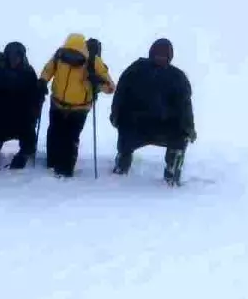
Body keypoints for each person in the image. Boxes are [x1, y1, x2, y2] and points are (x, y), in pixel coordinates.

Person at [110, 38, 197, 186]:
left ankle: (172, 171)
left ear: (170, 57)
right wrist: (116, 116)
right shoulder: (136, 70)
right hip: (135, 126)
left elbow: (185, 108)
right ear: (151, 53)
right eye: (158, 54)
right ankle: (122, 163)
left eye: (164, 55)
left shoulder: (177, 78)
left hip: (165, 127)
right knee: (125, 131)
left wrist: (189, 129)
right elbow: (120, 95)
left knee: (181, 136)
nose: (160, 58)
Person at [37, 34, 116, 178]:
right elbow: (48, 70)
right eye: (69, 53)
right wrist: (43, 81)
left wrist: (97, 80)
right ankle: (52, 163)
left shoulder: (94, 62)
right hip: (57, 103)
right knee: (54, 133)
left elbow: (110, 88)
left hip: (79, 109)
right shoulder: (59, 56)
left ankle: (66, 169)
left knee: (70, 138)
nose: (71, 57)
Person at [0, 42, 44, 170]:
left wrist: (40, 93)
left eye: (17, 56)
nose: (14, 59)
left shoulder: (28, 71)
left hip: (21, 116)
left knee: (29, 140)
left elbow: (34, 96)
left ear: (22, 56)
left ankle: (22, 157)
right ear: (6, 56)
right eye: (11, 56)